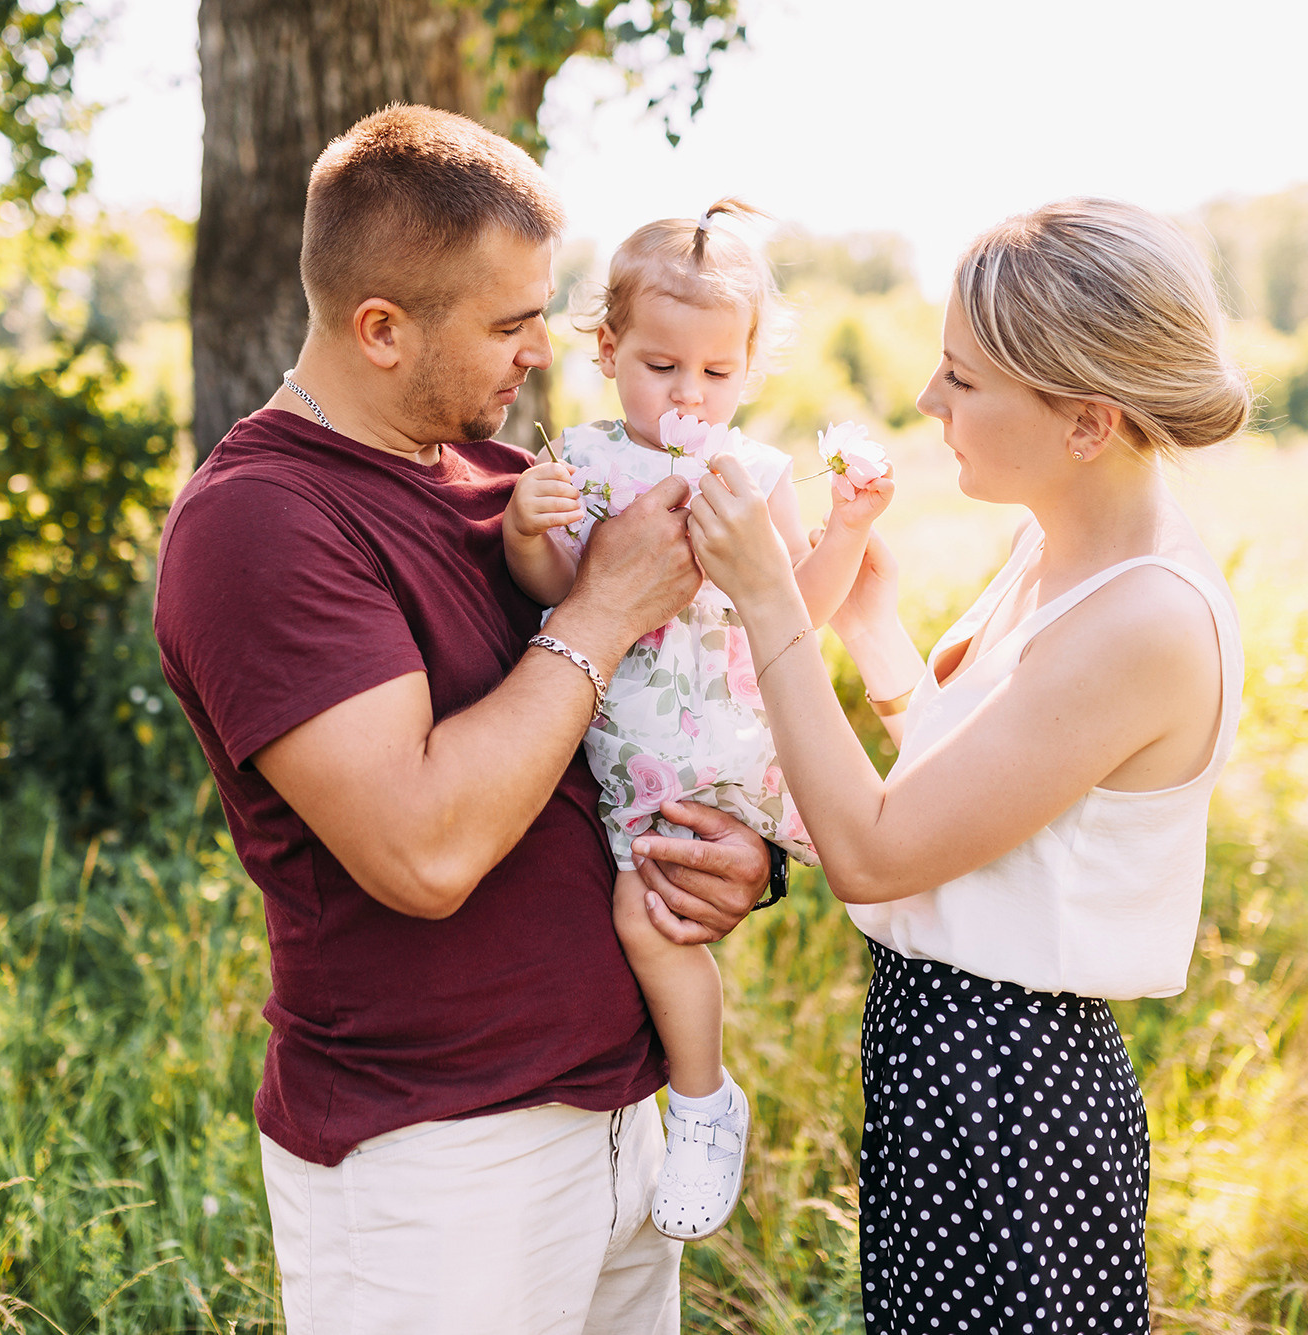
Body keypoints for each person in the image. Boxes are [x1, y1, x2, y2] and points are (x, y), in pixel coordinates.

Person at [153, 105, 776, 1335]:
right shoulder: (262, 524)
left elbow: (648, 719)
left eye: (541, 312)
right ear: (379, 329)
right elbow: (424, 851)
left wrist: (742, 868)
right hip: (433, 1165)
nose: (542, 351)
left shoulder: (512, 486)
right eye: (507, 323)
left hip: (617, 1127)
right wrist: (597, 614)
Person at [684, 198, 1250, 1332]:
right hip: (944, 1051)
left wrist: (766, 607)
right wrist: (873, 627)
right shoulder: (1053, 543)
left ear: (1085, 422)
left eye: (961, 378)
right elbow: (979, 791)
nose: (926, 402)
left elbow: (877, 851)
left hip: (1009, 1087)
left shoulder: (1144, 615)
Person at [502, 198, 893, 1240]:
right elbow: (554, 593)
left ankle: (704, 1103)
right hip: (629, 743)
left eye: (716, 374)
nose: (688, 393)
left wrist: (845, 527)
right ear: (606, 349)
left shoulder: (754, 474)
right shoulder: (577, 462)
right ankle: (696, 1099)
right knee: (639, 913)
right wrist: (525, 531)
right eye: (661, 366)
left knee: (653, 913)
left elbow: (795, 615)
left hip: (726, 744)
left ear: (750, 369)